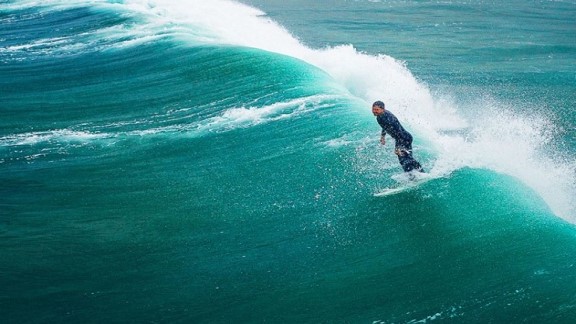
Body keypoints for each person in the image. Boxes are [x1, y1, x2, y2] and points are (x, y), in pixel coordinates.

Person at [372, 100, 424, 173]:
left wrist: (397, 147)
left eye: (377, 109)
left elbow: (399, 133)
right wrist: (382, 136)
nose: (374, 111)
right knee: (404, 160)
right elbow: (384, 126)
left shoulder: (390, 118)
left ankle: (420, 173)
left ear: (383, 109)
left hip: (405, 138)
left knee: (405, 159)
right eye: (373, 109)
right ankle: (414, 175)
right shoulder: (379, 117)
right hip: (402, 138)